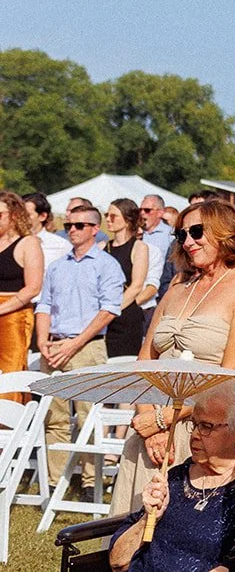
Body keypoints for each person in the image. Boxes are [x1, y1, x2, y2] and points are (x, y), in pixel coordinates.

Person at [113, 200, 235, 515]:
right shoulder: (177, 290)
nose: (188, 242)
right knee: (128, 532)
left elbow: (229, 376)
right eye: (182, 234)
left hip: (203, 430)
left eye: (197, 232)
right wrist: (151, 425)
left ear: (224, 232)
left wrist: (167, 419)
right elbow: (145, 358)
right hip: (149, 428)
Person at [108, 379, 235, 572]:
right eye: (193, 424)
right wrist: (148, 518)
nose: (195, 435)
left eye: (206, 426)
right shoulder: (175, 477)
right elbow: (117, 562)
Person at [34, 201, 124, 480]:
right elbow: (44, 305)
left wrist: (75, 343)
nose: (72, 230)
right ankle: (54, 479)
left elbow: (109, 309)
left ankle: (89, 479)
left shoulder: (107, 265)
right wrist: (42, 341)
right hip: (55, 344)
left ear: (95, 229)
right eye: (68, 225)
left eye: (79, 225)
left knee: (88, 416)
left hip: (88, 345)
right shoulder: (58, 266)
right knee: (55, 417)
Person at [0, 191, 45, 396]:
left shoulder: (28, 243)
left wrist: (2, 308)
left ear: (14, 215)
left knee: (11, 372)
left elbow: (33, 287)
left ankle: (9, 422)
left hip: (14, 315)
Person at [102, 199, 150, 359]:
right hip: (102, 318)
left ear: (128, 218)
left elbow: (136, 286)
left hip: (125, 317)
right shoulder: (102, 247)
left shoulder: (139, 247)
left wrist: (111, 310)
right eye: (106, 215)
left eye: (113, 216)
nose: (108, 219)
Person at [26, 193, 70, 270]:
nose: (22, 219)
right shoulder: (9, 243)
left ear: (42, 216)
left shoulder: (60, 246)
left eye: (27, 215)